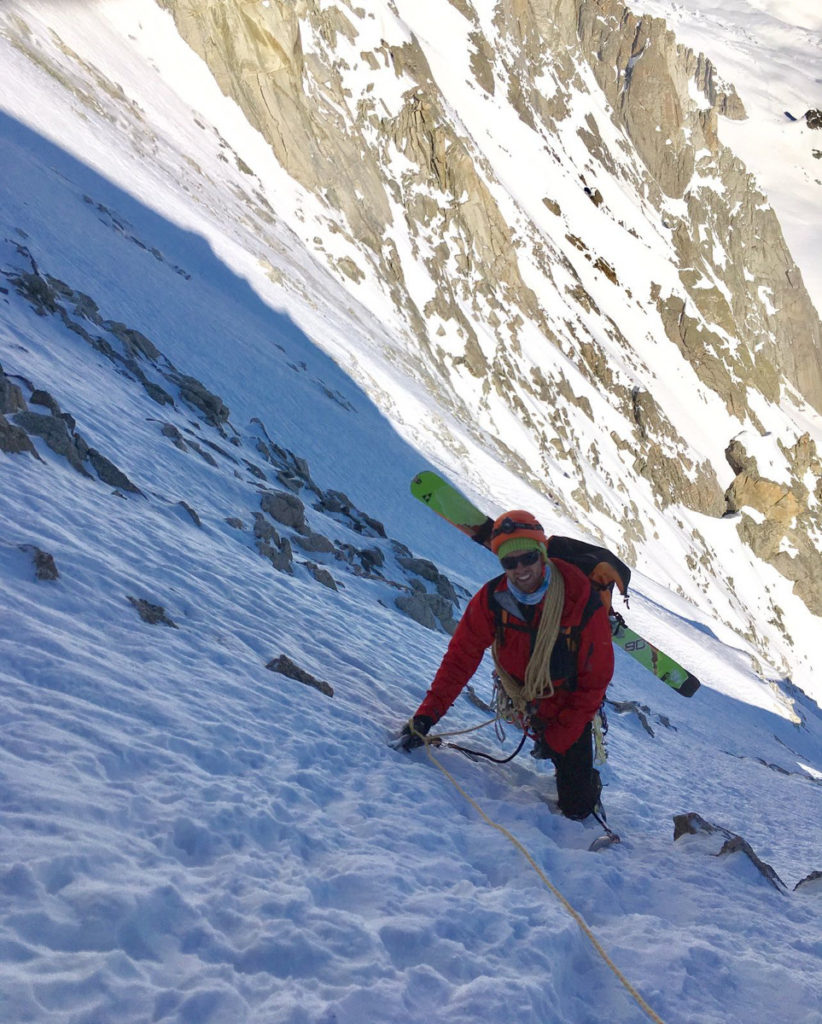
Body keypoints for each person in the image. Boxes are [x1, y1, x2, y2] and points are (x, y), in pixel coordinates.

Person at [397, 510, 615, 821]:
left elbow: (596, 678)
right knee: (556, 761)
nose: (520, 569)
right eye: (509, 562)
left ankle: (588, 788)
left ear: (542, 554)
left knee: (577, 807)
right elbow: (460, 658)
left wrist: (560, 736)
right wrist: (426, 716)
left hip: (570, 708)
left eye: (527, 558)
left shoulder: (578, 598)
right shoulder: (493, 600)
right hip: (526, 701)